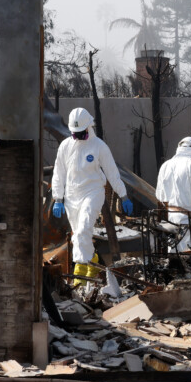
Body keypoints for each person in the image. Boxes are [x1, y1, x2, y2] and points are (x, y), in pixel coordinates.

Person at [51, 107, 133, 286]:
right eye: (75, 134)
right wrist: (58, 198)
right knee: (78, 235)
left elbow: (112, 172)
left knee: (83, 228)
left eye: (81, 134)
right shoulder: (66, 146)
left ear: (89, 128)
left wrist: (123, 194)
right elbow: (58, 173)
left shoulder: (99, 147)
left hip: (93, 192)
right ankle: (93, 259)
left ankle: (80, 268)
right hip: (72, 195)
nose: (78, 137)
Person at [155, 137, 191, 252]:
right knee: (179, 255)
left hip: (169, 218)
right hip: (187, 219)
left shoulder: (165, 165)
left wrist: (164, 217)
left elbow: (159, 195)